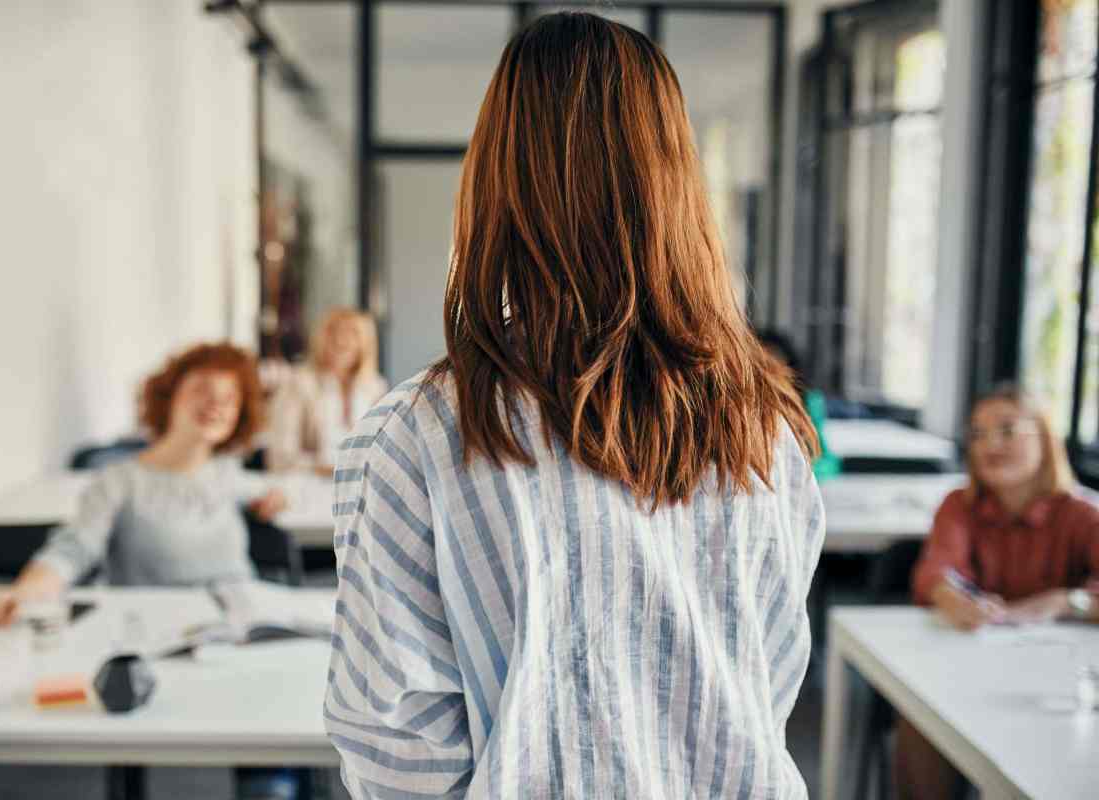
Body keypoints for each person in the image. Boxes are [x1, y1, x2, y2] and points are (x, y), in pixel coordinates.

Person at [323, 13, 825, 798]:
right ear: (678, 185)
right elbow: (767, 679)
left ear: (496, 181)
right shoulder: (763, 428)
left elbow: (398, 751)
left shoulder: (418, 435)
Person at [0, 342, 296, 800]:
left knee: (277, 738)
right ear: (169, 395)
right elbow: (72, 550)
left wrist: (271, 498)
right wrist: (28, 591)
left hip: (238, 634)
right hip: (155, 646)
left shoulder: (227, 474)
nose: (217, 404)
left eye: (230, 399)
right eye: (203, 389)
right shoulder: (119, 481)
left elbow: (266, 490)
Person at [897, 384, 1099, 799]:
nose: (990, 444)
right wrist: (954, 600)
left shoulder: (1082, 514)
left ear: (1044, 437)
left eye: (1007, 430)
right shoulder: (959, 505)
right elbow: (937, 570)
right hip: (969, 671)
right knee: (921, 717)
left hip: (1057, 681)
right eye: (977, 434)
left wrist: (1064, 600)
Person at [266, 308, 387, 476]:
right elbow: (280, 457)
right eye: (333, 332)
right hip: (308, 487)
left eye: (352, 333)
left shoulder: (376, 387)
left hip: (362, 487)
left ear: (366, 343)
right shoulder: (298, 383)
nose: (341, 340)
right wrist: (326, 470)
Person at [758, 328, 842, 480]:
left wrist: (800, 473)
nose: (770, 372)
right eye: (763, 364)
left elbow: (827, 460)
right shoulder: (746, 403)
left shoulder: (809, 401)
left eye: (775, 363)